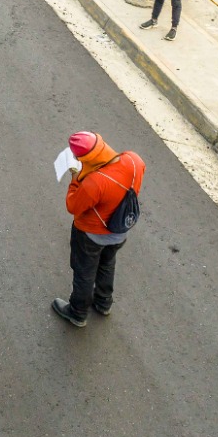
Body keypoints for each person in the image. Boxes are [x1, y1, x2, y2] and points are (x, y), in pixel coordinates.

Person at [52, 131, 145, 327]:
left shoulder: (94, 182)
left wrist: (76, 178)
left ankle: (77, 313)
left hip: (90, 236)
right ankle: (103, 302)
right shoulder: (134, 161)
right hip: (119, 232)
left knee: (84, 272)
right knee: (107, 264)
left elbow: (73, 206)